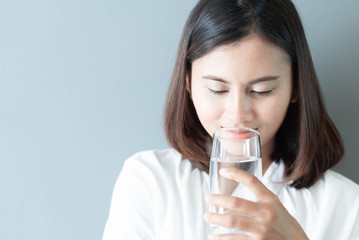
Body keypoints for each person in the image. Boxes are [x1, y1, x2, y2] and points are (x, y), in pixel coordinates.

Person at [102, 0, 359, 239]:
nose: (237, 114)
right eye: (217, 89)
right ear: (189, 83)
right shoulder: (150, 181)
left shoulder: (344, 205)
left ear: (295, 87)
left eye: (262, 91)